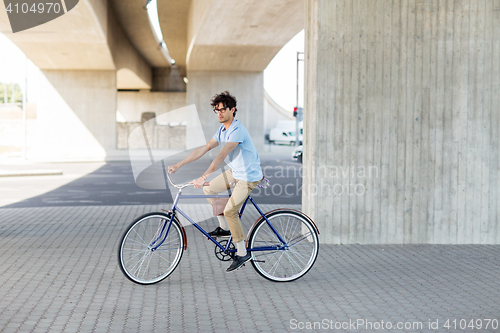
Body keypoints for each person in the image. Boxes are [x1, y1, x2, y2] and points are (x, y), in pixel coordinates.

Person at [168, 91, 263, 272]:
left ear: (232, 110)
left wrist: (203, 176)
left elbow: (221, 155)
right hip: (236, 172)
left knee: (230, 211)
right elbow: (203, 149)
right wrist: (178, 165)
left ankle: (242, 252)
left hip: (248, 176)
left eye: (223, 109)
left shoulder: (237, 130)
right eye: (216, 110)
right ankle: (225, 229)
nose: (219, 113)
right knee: (209, 189)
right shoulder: (222, 130)